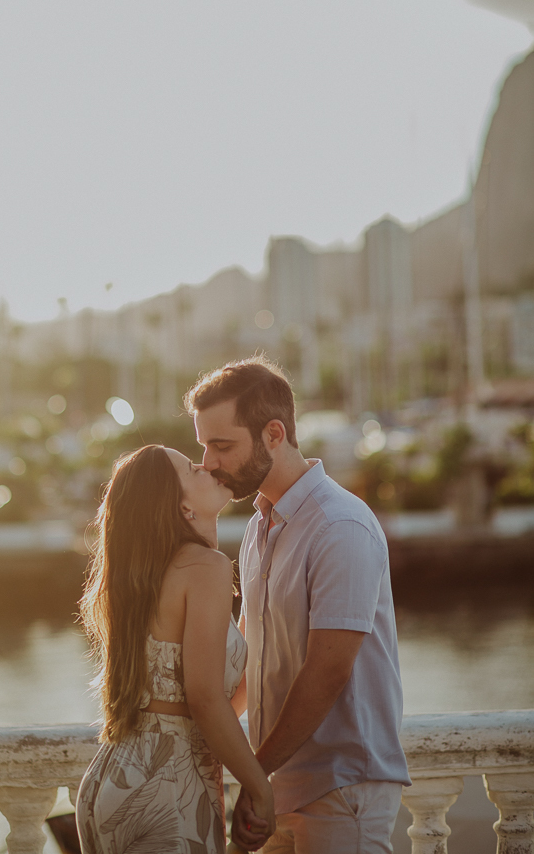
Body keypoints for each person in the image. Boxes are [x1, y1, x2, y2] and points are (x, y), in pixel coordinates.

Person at [185, 356, 411, 854]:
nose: (209, 462)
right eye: (204, 446)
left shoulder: (340, 526)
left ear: (273, 434)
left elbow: (326, 671)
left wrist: (255, 772)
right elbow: (247, 660)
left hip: (340, 790)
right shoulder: (258, 527)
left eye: (222, 446)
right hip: (278, 789)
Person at [76, 444, 276, 854]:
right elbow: (203, 699)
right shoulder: (206, 567)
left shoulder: (149, 575)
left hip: (113, 775)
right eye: (191, 468)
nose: (205, 465)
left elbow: (200, 698)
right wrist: (260, 788)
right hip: (168, 782)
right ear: (181, 507)